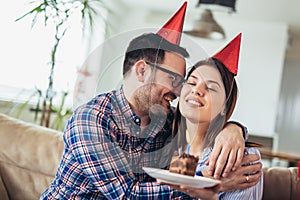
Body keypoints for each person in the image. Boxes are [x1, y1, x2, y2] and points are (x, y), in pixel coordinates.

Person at [40, 3, 261, 199]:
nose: (180, 90)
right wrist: (210, 184)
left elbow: (201, 119)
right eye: (174, 79)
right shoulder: (92, 119)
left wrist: (234, 130)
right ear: (142, 70)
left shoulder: (165, 120)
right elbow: (127, 195)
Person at [167, 33, 263, 199]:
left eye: (210, 88)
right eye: (191, 82)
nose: (197, 90)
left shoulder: (241, 157)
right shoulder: (170, 144)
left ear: (224, 107)